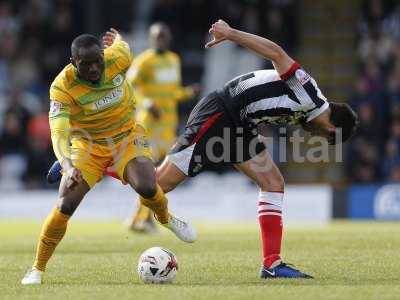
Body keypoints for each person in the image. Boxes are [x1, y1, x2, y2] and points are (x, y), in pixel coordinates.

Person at [45, 20, 359, 279]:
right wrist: (231, 34)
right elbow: (276, 52)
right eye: (326, 140)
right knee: (155, 186)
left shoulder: (307, 112)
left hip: (241, 125)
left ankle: (272, 265)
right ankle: (98, 163)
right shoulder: (307, 93)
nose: (317, 140)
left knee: (274, 183)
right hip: (220, 113)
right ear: (331, 129)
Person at [21, 28, 196, 285]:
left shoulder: (118, 57)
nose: (93, 69)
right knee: (64, 205)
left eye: (97, 62)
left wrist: (118, 41)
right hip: (88, 147)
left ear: (104, 55)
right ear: (73, 63)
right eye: (85, 64)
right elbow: (58, 132)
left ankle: (166, 218)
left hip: (126, 137)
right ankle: (37, 268)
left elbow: (122, 46)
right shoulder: (62, 86)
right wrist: (68, 165)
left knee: (147, 187)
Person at [127, 22, 200, 232]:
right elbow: (131, 88)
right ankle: (141, 218)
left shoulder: (174, 60)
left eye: (164, 36)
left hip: (168, 125)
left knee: (159, 175)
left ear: (169, 38)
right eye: (157, 36)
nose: (161, 39)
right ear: (151, 39)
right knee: (150, 174)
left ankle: (140, 218)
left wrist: (187, 93)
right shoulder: (144, 61)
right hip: (148, 124)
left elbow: (172, 92)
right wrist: (147, 103)